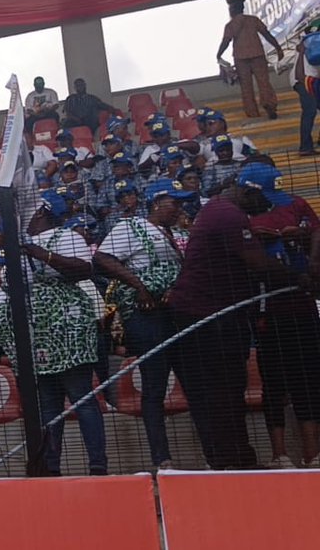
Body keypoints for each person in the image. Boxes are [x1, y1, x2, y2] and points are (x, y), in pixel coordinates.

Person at [165, 162, 306, 469]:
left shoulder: (221, 210)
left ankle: (234, 455)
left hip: (215, 312)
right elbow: (257, 263)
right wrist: (299, 277)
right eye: (262, 198)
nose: (266, 205)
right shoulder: (228, 216)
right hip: (207, 316)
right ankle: (230, 459)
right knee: (222, 387)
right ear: (246, 191)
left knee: (227, 385)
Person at [0, 188, 107, 476]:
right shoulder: (16, 244)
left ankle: (97, 466)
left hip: (67, 326)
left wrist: (38, 253)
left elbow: (84, 269)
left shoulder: (67, 236)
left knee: (81, 396)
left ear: (42, 211)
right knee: (46, 405)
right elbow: (8, 284)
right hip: (35, 331)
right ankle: (50, 468)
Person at [93, 178, 192, 469]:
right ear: (156, 202)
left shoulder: (175, 232)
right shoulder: (131, 227)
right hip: (146, 315)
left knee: (194, 380)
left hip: (176, 313)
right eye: (174, 202)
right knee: (155, 384)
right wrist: (139, 286)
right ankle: (162, 458)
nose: (178, 208)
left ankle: (214, 454)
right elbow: (101, 257)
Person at [249, 189, 320, 468]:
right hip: (269, 317)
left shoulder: (295, 205)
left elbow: (315, 229)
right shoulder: (243, 219)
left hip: (303, 312)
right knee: (275, 386)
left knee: (309, 382)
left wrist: (308, 251)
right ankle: (280, 454)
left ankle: (313, 453)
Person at [217, 0, 284, 119]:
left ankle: (252, 112)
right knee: (264, 83)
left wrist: (218, 54)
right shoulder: (253, 20)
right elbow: (267, 34)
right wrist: (278, 48)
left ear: (232, 10)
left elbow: (226, 41)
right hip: (258, 54)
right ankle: (269, 105)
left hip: (241, 58)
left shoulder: (230, 25)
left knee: (246, 88)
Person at [295, 21, 320, 156]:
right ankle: (305, 147)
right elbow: (299, 76)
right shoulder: (308, 48)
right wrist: (300, 53)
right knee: (310, 110)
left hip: (313, 79)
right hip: (304, 80)